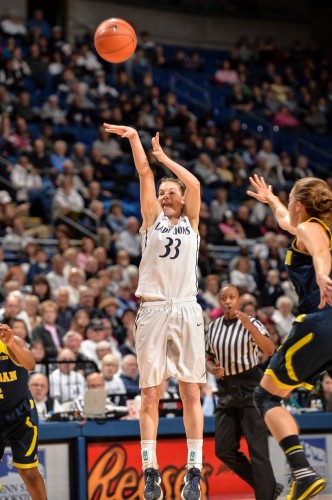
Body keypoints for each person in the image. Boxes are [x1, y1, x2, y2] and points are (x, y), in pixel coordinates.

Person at [103, 123, 206, 500]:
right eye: (161, 193)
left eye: (169, 192)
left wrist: (166, 159)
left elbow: (194, 186)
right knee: (150, 395)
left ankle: (194, 469)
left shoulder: (192, 223)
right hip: (153, 309)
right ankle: (151, 471)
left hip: (185, 308)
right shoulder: (152, 221)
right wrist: (134, 140)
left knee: (191, 393)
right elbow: (143, 173)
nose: (164, 196)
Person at [247, 174, 332, 499]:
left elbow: (319, 252)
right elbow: (286, 221)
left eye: (289, 201)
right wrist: (272, 200)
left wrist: (322, 275)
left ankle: (303, 472)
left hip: (321, 321)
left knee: (266, 397)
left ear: (300, 204)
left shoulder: (311, 229)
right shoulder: (311, 225)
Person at [205, 285, 282, 500]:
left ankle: (265, 493)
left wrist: (251, 328)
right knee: (223, 449)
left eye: (232, 297)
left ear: (238, 300)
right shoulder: (213, 328)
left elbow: (269, 350)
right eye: (223, 298)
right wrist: (213, 369)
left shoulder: (252, 322)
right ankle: (268, 486)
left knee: (258, 451)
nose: (227, 301)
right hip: (226, 388)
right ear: (219, 302)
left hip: (250, 386)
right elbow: (207, 358)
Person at [0, 322, 47, 499]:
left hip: (20, 412)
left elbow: (31, 365)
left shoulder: (11, 340)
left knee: (28, 473)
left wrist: (11, 344)